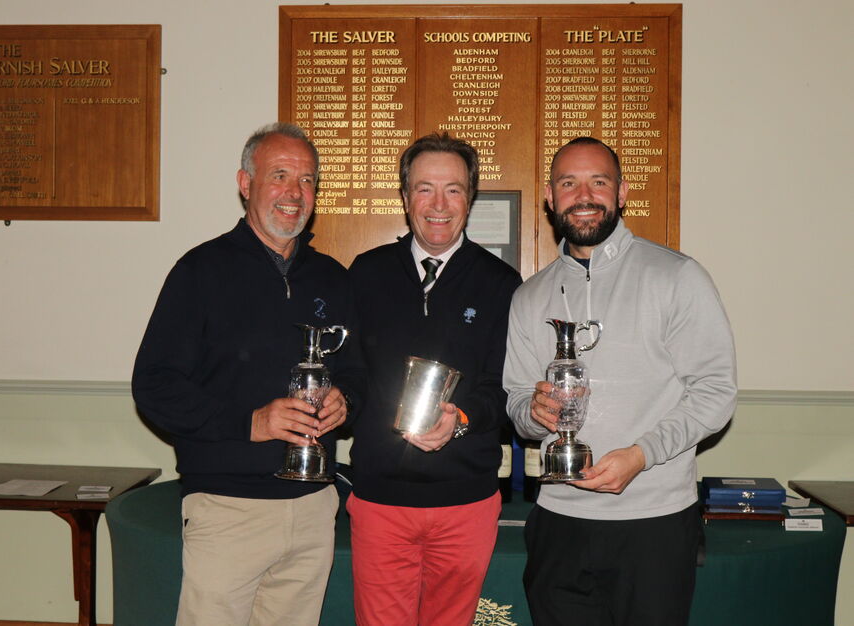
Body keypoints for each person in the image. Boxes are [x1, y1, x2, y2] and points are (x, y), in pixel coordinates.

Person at [132, 123, 361, 625]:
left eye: (306, 181)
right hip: (226, 506)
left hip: (312, 505)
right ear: (245, 183)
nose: (294, 193)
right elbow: (154, 385)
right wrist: (249, 423)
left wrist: (347, 399)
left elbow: (357, 374)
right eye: (280, 176)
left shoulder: (333, 279)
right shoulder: (199, 272)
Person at [503, 136, 737, 625]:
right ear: (550, 196)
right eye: (569, 183)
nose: (583, 194)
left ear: (623, 191)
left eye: (599, 181)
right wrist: (532, 412)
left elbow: (715, 394)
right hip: (559, 520)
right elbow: (518, 402)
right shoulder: (529, 296)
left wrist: (642, 454)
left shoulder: (677, 277)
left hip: (655, 521)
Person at [346, 132, 523, 626]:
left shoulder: (501, 284)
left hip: (465, 502)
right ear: (405, 199)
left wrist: (460, 418)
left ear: (471, 198)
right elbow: (353, 376)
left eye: (454, 189)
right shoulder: (365, 274)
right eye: (425, 189)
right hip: (381, 499)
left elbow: (504, 387)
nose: (439, 205)